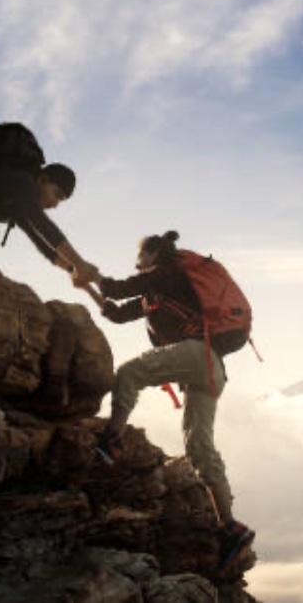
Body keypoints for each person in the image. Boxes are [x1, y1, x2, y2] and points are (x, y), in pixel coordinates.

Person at [93, 230, 255, 570]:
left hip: (197, 357)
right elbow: (124, 311)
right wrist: (107, 308)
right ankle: (231, 527)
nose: (137, 263)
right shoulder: (159, 289)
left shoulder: (168, 273)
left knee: (128, 373)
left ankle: (112, 439)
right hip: (212, 369)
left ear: (154, 255)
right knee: (200, 449)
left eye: (141, 257)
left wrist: (92, 276)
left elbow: (122, 288)